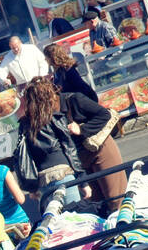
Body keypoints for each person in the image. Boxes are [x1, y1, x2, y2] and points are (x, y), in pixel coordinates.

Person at [45, 42, 127, 208]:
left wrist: (81, 117)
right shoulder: (59, 73)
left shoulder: (69, 73)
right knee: (99, 200)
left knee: (115, 199)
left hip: (95, 142)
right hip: (84, 150)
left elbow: (88, 94)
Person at [17, 77, 90, 206]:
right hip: (63, 172)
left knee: (55, 221)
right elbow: (69, 149)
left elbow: (25, 156)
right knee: (74, 216)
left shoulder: (24, 124)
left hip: (42, 178)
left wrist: (32, 187)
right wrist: (83, 181)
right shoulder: (55, 118)